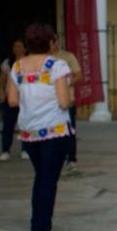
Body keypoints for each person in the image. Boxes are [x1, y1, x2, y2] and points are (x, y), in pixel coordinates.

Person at [7, 23, 73, 231]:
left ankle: (40, 226)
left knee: (41, 178)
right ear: (51, 42)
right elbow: (64, 101)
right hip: (55, 131)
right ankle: (41, 229)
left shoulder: (17, 67)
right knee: (48, 180)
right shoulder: (57, 65)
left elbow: (12, 100)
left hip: (29, 132)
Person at [51, 32, 82, 172]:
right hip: (49, 102)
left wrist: (66, 83)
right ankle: (57, 156)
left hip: (66, 99)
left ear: (57, 41)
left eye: (53, 40)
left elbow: (78, 75)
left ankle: (71, 158)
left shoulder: (67, 57)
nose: (51, 43)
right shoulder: (42, 58)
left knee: (69, 130)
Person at [0, 39, 28, 161]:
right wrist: (0, 93)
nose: (17, 48)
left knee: (25, 125)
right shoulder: (8, 63)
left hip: (25, 98)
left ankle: (25, 149)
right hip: (10, 98)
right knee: (8, 126)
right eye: (15, 46)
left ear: (25, 48)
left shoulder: (29, 62)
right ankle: (5, 151)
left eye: (20, 46)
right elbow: (2, 81)